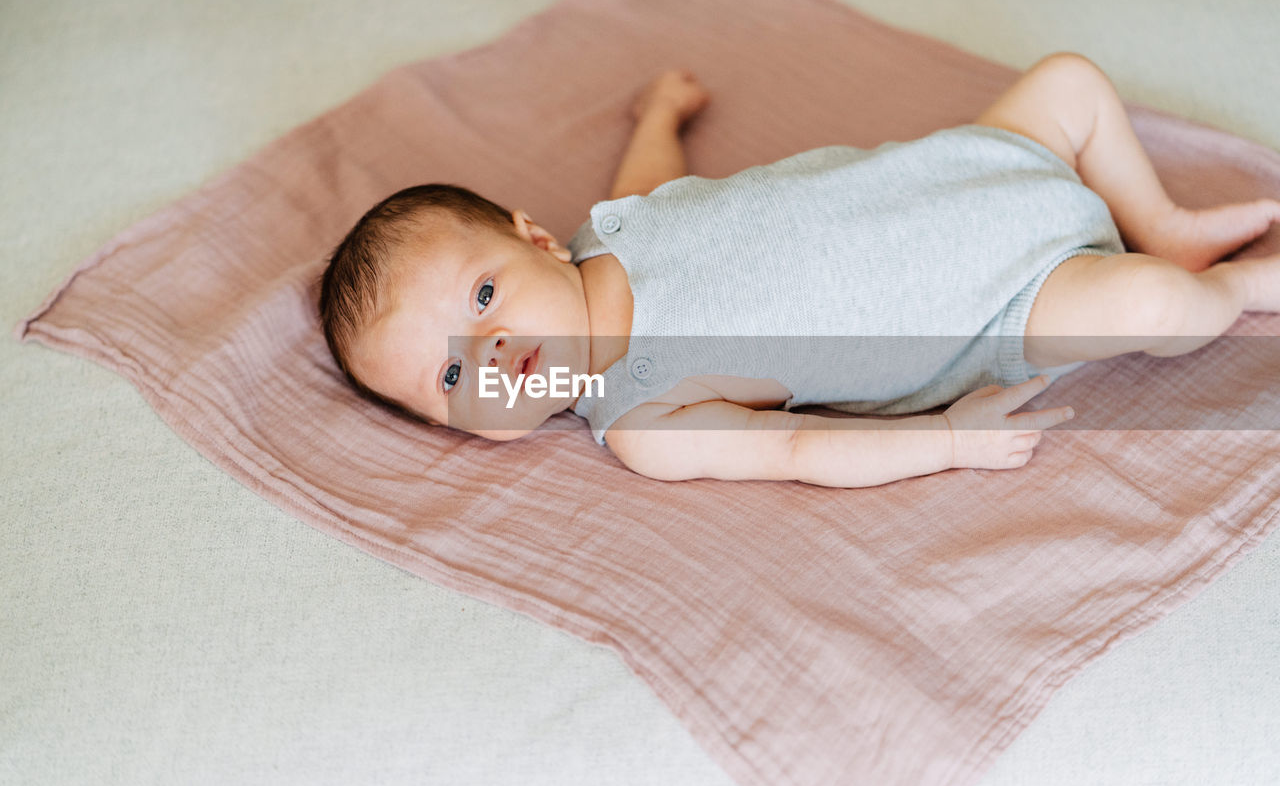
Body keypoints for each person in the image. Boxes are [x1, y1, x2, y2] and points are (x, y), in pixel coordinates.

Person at [318, 53, 1280, 487]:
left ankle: (1163, 218)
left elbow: (662, 191)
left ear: (535, 239)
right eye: (451, 375)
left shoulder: (612, 231)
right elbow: (796, 452)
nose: (489, 351)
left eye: (480, 298)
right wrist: (945, 440)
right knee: (1153, 302)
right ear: (456, 425)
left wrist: (657, 119)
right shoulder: (644, 420)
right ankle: (1230, 286)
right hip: (993, 309)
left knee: (1069, 80)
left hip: (963, 170)